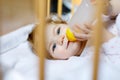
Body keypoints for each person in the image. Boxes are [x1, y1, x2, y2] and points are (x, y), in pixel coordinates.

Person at [45, 0, 120, 60]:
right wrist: (104, 36)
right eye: (53, 46)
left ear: (66, 23)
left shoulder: (90, 19)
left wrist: (109, 9)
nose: (60, 39)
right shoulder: (87, 59)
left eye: (58, 31)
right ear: (58, 60)